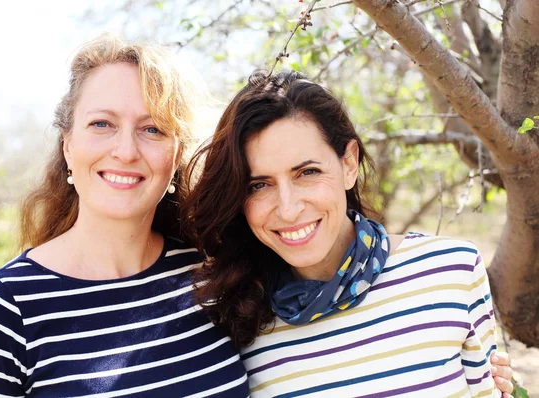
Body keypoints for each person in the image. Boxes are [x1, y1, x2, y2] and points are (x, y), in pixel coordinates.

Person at [184, 70, 514, 397]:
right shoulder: (239, 323)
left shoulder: (451, 270)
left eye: (307, 172)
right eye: (259, 184)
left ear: (349, 164)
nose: (287, 209)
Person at [0, 36, 248, 397]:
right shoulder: (1, 313)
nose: (125, 151)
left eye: (152, 129)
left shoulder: (212, 279)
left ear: (176, 154)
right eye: (102, 124)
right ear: (68, 145)